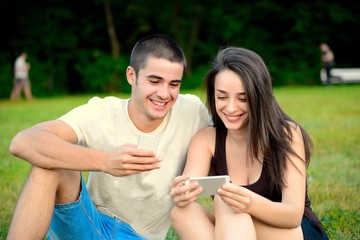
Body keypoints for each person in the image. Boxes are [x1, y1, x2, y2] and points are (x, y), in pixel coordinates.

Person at [7, 34, 211, 240]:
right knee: (50, 165)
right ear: (132, 76)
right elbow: (23, 142)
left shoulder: (191, 112)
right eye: (154, 81)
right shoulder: (103, 112)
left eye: (174, 84)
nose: (164, 93)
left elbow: (231, 140)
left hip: (138, 236)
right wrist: (105, 161)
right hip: (89, 223)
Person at [170, 47, 329, 240]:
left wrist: (248, 203)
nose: (230, 107)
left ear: (259, 97)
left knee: (227, 203)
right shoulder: (206, 139)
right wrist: (183, 192)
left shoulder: (286, 134)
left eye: (243, 98)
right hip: (234, 231)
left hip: (293, 232)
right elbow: (190, 183)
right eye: (221, 97)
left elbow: (293, 215)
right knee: (181, 212)